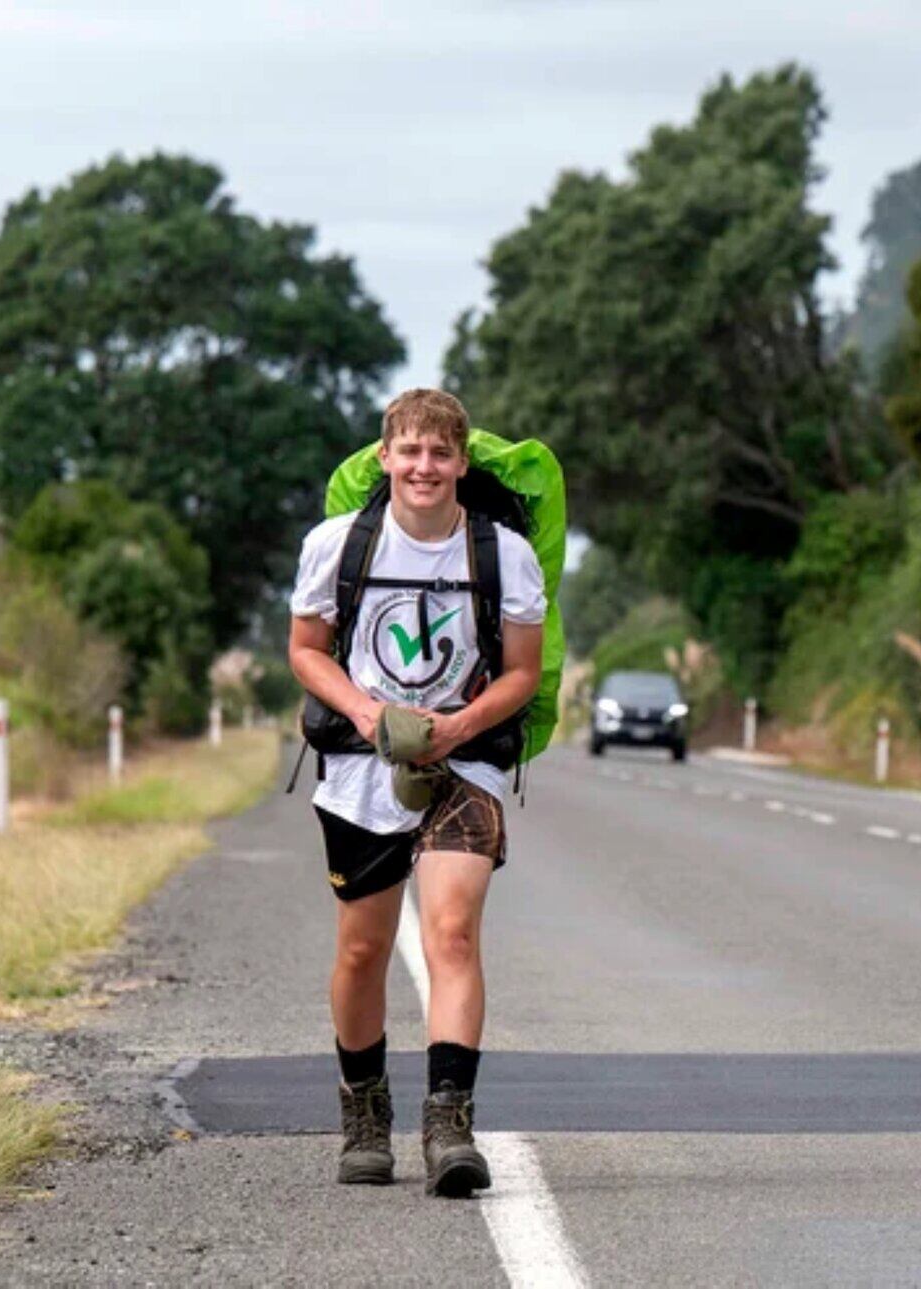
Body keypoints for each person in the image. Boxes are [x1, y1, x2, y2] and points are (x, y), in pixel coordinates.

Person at [287, 388, 546, 1197]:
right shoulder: (338, 544)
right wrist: (369, 713)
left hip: (464, 765)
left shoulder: (503, 554)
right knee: (362, 950)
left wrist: (459, 727)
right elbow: (306, 649)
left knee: (453, 934)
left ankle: (448, 1125)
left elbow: (523, 673)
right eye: (410, 451)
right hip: (363, 769)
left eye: (439, 453)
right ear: (385, 457)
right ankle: (366, 1115)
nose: (424, 466)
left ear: (462, 462)